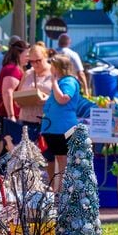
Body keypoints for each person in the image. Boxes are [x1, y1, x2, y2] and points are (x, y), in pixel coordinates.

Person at [41, 55, 81, 192]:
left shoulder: (68, 81)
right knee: (56, 158)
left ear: (58, 68)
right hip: (53, 127)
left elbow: (63, 99)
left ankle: (63, 191)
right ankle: (58, 190)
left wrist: (53, 81)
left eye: (52, 66)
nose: (50, 68)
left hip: (63, 127)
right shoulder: (62, 81)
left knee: (63, 159)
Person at [15, 44, 53, 144]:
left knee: (45, 153)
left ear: (46, 57)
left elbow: (61, 98)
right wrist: (20, 101)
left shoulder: (54, 73)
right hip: (26, 121)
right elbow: (18, 96)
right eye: (31, 61)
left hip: (47, 122)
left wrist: (47, 98)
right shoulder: (28, 74)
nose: (35, 64)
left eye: (38, 61)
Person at [0, 39, 29, 147]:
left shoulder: (13, 68)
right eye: (26, 55)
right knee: (8, 149)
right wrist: (11, 115)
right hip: (7, 116)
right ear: (19, 54)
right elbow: (7, 92)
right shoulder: (12, 69)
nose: (28, 58)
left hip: (9, 115)